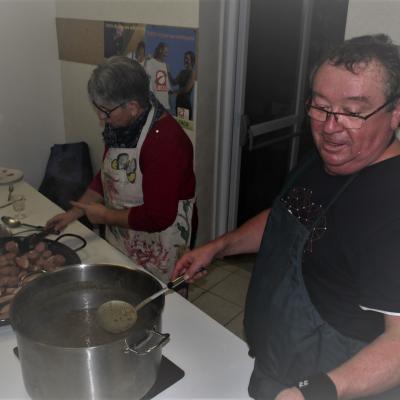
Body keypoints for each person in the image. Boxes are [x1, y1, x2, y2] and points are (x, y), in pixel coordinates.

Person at [172, 34, 400, 399]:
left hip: (333, 387)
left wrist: (314, 391)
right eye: (321, 106)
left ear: (396, 112)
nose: (329, 126)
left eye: (353, 112)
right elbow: (287, 217)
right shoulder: (324, 159)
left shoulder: (392, 207)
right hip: (277, 364)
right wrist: (219, 246)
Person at [47, 56, 196, 285]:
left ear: (133, 106)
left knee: (156, 301)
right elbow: (108, 175)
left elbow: (159, 217)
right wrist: (73, 213)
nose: (100, 118)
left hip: (162, 242)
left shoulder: (165, 143)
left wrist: (105, 215)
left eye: (105, 112)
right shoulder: (123, 126)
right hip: (126, 234)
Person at [169, 51, 196, 120]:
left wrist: (174, 91)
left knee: (184, 128)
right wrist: (168, 72)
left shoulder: (192, 73)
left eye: (187, 58)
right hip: (179, 103)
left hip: (185, 104)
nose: (185, 60)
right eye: (184, 58)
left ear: (192, 60)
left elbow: (186, 89)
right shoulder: (182, 72)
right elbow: (174, 82)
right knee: (180, 126)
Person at [144, 42, 171, 110]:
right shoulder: (150, 62)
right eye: (165, 52)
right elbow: (144, 75)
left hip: (165, 105)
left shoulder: (165, 65)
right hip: (155, 105)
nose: (166, 55)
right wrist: (145, 61)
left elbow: (167, 86)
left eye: (167, 52)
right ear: (160, 50)